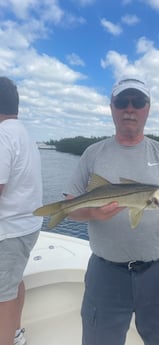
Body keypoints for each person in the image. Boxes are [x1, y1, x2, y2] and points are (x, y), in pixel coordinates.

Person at [65, 76, 159, 345]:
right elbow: (71, 208)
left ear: (147, 107)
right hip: (106, 274)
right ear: (111, 106)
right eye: (122, 101)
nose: (130, 108)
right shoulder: (93, 153)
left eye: (137, 101)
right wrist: (92, 212)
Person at [0, 77, 43, 345]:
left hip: (9, 233)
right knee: (14, 283)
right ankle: (15, 333)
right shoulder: (23, 133)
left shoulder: (3, 135)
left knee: (2, 296)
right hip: (27, 228)